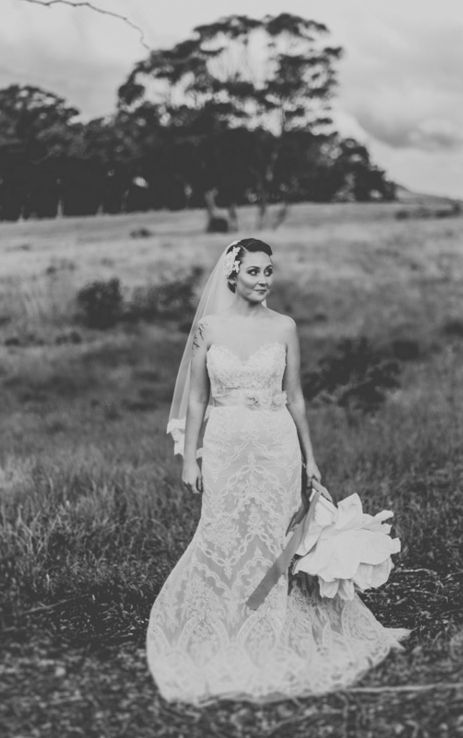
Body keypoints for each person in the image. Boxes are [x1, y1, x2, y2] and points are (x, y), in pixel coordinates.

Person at [146, 238, 407, 704]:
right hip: (225, 445)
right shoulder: (209, 328)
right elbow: (198, 398)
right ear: (233, 275)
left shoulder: (285, 326)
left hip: (276, 444)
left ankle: (276, 627)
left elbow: (296, 397)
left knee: (275, 536)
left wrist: (310, 457)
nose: (263, 280)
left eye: (269, 271)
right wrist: (189, 457)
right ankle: (223, 624)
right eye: (254, 271)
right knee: (222, 532)